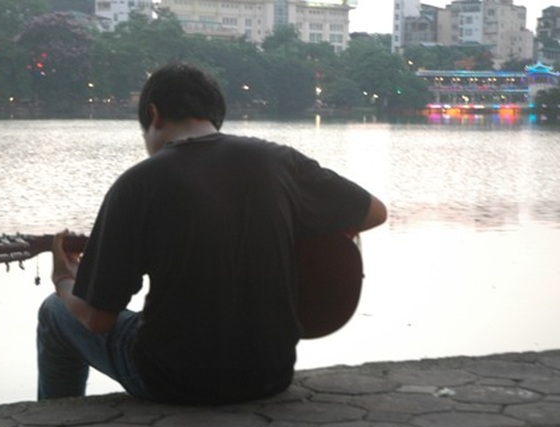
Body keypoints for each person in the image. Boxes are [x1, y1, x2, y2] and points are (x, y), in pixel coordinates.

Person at [37, 63, 387, 405]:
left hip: (173, 382)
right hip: (270, 376)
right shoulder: (278, 161)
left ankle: (57, 421)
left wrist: (65, 280)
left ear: (154, 114)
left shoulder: (138, 182)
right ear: (214, 116)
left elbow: (98, 319)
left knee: (55, 311)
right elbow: (375, 212)